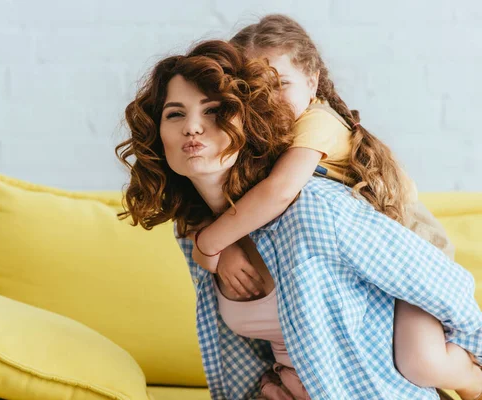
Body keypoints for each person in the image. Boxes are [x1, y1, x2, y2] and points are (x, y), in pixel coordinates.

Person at [115, 39, 482, 399]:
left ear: (248, 120)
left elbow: (441, 284)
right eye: (174, 113)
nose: (192, 127)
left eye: (213, 110)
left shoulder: (313, 207)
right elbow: (243, 361)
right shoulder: (194, 230)